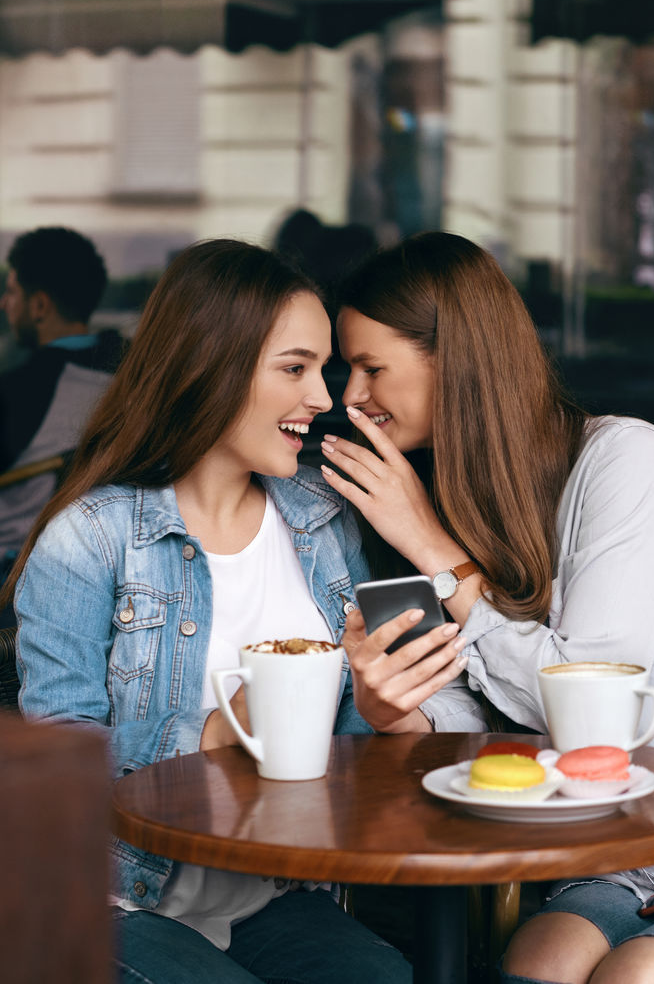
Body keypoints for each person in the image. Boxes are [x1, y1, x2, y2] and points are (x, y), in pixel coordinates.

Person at [317, 231, 654, 984]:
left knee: (635, 976)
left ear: (456, 361)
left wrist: (436, 551)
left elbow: (586, 692)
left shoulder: (624, 460)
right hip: (618, 856)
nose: (349, 396)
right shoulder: (431, 496)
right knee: (537, 963)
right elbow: (485, 723)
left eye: (372, 366)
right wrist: (398, 711)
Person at [5, 237, 477, 984]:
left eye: (321, 370)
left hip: (273, 896)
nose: (325, 398)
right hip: (115, 902)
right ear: (210, 364)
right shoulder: (89, 539)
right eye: (295, 368)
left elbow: (372, 735)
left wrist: (382, 711)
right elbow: (59, 773)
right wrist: (220, 732)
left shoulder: (324, 521)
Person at [0, 227, 125, 583]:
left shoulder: (17, 391)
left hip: (17, 580)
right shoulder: (136, 376)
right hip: (107, 567)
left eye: (11, 292)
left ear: (39, 305)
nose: (3, 303)